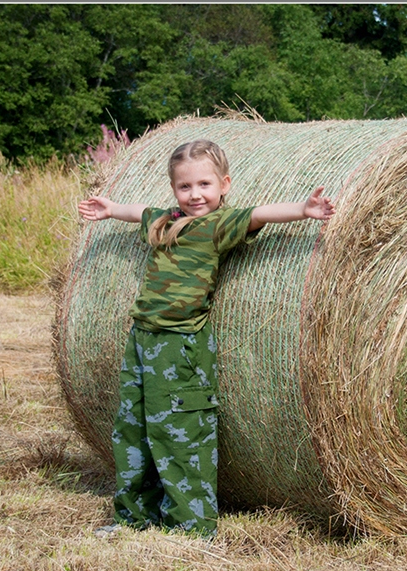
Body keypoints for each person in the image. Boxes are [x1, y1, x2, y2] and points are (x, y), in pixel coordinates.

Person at [78, 139, 334, 537]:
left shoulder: (218, 224)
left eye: (204, 185)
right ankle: (134, 516)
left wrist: (303, 210)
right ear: (174, 189)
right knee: (133, 427)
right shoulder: (163, 220)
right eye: (185, 187)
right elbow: (139, 213)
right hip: (142, 338)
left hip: (180, 345)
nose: (195, 194)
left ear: (223, 185)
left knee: (180, 429)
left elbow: (259, 215)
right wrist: (110, 209)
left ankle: (190, 526)